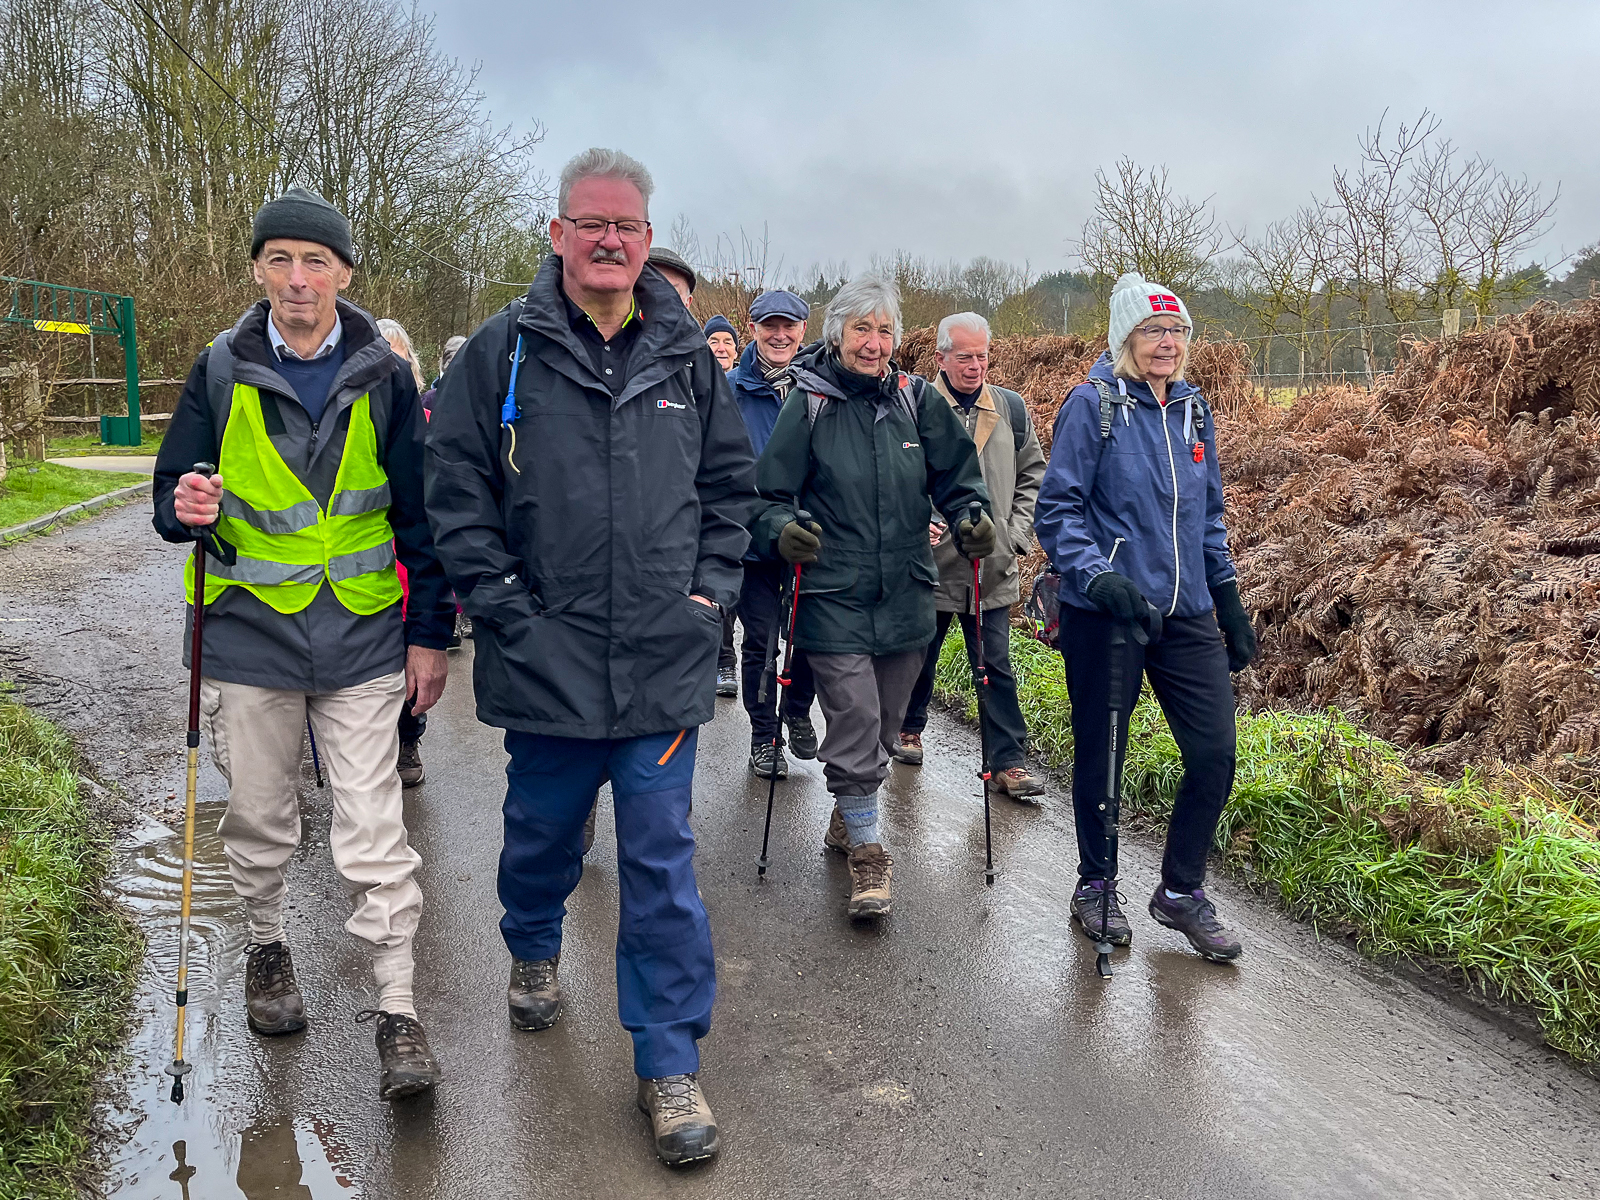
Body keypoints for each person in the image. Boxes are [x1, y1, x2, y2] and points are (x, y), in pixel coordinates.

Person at [424, 148, 756, 1165]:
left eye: (627, 226)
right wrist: (504, 608)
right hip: (546, 661)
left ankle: (667, 1062)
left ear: (648, 241)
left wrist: (706, 598)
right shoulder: (502, 352)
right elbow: (455, 490)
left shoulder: (687, 358)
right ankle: (532, 943)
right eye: (591, 223)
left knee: (660, 864)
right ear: (558, 233)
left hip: (662, 663)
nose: (610, 240)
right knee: (540, 840)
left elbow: (730, 493)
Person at [152, 186, 454, 1100]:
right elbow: (173, 494)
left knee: (374, 829)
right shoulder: (219, 370)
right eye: (279, 259)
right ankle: (267, 944)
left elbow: (421, 518)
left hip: (361, 634)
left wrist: (430, 636)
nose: (296, 278)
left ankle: (398, 1009)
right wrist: (184, 505)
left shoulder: (388, 377)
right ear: (257, 269)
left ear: (343, 274)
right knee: (258, 815)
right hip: (250, 635)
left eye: (314, 261)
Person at [1033, 271, 1257, 963]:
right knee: (1104, 752)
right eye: (1153, 330)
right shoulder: (1092, 405)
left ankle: (1180, 891)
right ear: (1125, 337)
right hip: (1109, 612)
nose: (1168, 342)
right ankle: (1096, 885)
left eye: (1177, 330)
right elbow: (1057, 509)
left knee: (1214, 753)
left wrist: (1227, 597)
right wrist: (1097, 576)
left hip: (1185, 612)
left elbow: (1209, 515)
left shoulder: (1193, 408)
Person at [751, 275, 991, 919]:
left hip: (907, 590)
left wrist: (971, 516)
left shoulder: (917, 401)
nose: (874, 343)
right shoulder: (809, 405)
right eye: (862, 329)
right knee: (855, 715)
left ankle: (847, 810)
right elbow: (768, 497)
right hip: (832, 590)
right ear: (838, 334)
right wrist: (783, 530)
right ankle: (868, 850)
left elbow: (959, 478)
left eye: (885, 331)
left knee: (885, 722)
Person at [896, 313, 1047, 800]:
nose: (975, 366)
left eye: (982, 356)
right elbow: (897, 472)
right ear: (941, 357)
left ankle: (1007, 762)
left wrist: (1015, 535)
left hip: (992, 565)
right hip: (930, 562)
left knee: (995, 663)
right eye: (965, 357)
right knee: (920, 654)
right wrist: (917, 521)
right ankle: (907, 729)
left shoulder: (1010, 408)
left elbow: (1033, 474)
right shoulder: (916, 405)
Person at [727, 288, 820, 779]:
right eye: (770, 326)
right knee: (761, 641)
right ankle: (764, 736)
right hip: (752, 538)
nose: (780, 335)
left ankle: (797, 709)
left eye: (789, 326)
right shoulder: (729, 390)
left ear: (803, 330)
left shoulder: (819, 389)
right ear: (754, 328)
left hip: (810, 536)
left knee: (811, 636)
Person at [375, 317, 441, 785]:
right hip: (369, 569)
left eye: (396, 355)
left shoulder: (430, 420)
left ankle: (408, 738)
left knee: (410, 665)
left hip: (411, 564)